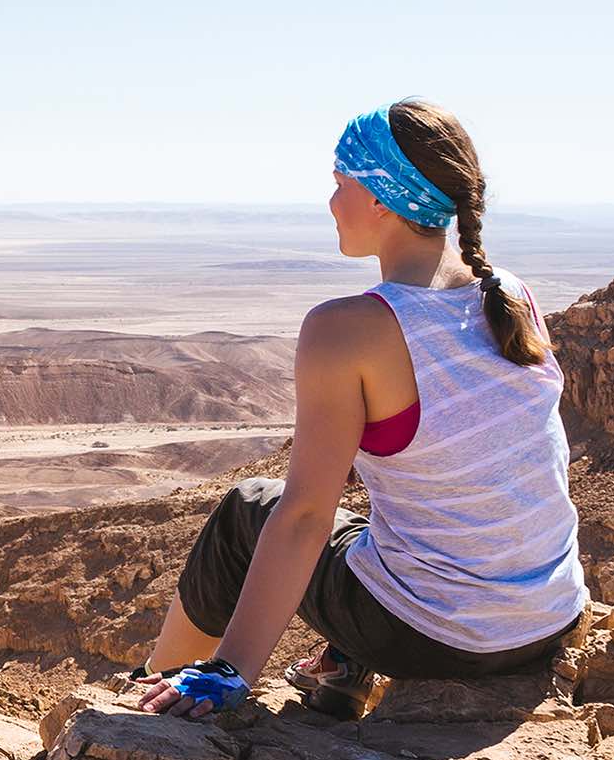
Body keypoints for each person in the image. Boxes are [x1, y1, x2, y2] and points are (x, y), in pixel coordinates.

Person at [134, 97, 588, 721]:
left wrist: (232, 672)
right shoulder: (508, 293)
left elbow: (303, 517)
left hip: (438, 639)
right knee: (376, 518)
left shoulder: (346, 329)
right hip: (548, 620)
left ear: (381, 199)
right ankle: (343, 661)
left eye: (339, 182)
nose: (330, 201)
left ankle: (158, 687)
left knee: (250, 510)